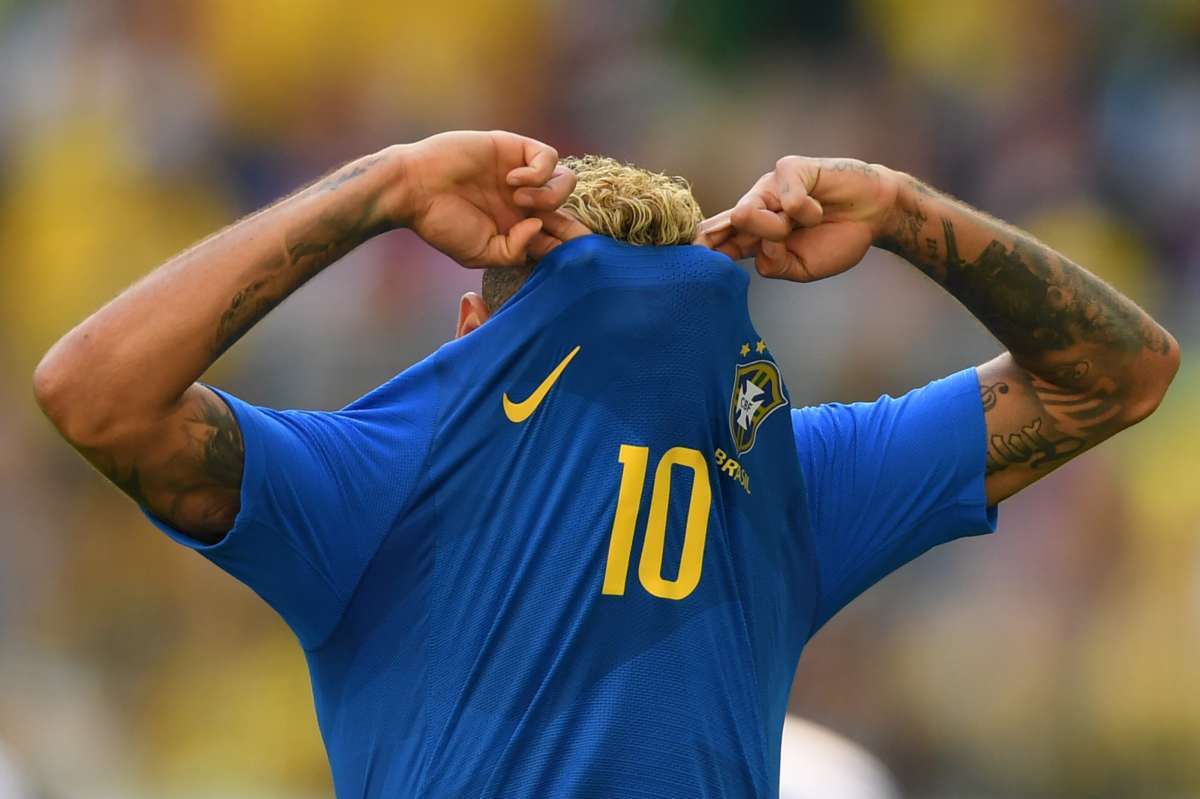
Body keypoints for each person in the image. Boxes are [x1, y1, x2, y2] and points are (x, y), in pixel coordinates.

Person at [33, 130, 1179, 798]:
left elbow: (92, 392)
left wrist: (384, 187)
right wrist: (900, 209)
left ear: (472, 329)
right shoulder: (786, 476)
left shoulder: (379, 477)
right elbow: (1116, 376)